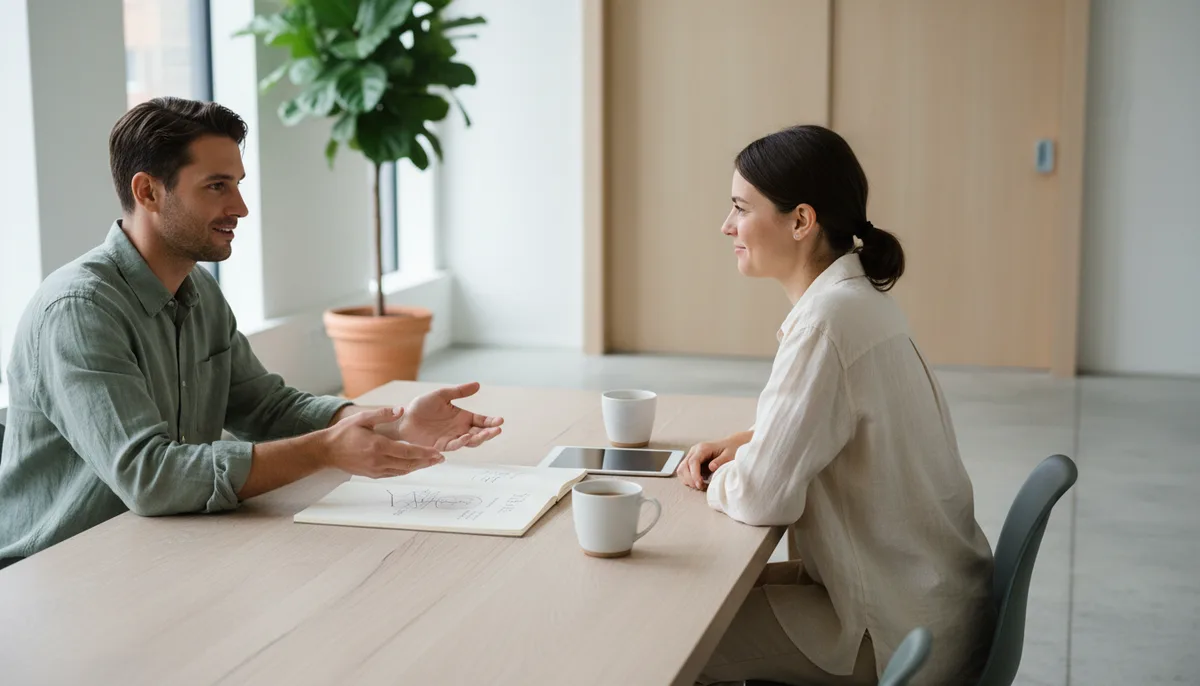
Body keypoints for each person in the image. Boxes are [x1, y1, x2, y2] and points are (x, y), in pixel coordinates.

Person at [0, 98, 503, 571]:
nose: (240, 207)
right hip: (59, 571)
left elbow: (265, 407)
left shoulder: (198, 290)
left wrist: (389, 426)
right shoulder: (79, 310)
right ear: (148, 192)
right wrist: (324, 449)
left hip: (163, 550)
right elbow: (150, 477)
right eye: (217, 186)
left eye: (238, 184)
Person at [678, 125, 994, 685]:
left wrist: (723, 475)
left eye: (740, 208)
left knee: (676, 645)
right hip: (931, 603)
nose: (726, 226)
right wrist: (748, 442)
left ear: (801, 220)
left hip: (892, 631)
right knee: (700, 604)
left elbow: (762, 497)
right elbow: (838, 419)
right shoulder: (857, 301)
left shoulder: (825, 324)